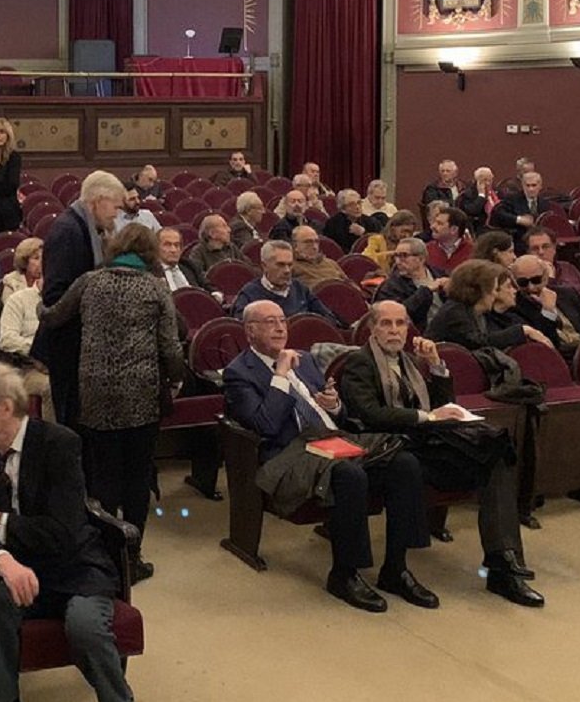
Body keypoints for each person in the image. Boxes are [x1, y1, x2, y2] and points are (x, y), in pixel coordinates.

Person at [0, 363, 173, 702]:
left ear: (6, 408)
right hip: (18, 571)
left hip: (74, 567)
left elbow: (62, 533)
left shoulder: (59, 444)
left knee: (85, 625)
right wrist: (4, 560)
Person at [223, 301, 434, 612]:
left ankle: (396, 567)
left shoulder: (306, 360)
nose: (281, 327)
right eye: (270, 322)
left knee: (404, 463)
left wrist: (332, 404)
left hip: (332, 439)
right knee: (349, 474)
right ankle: (345, 573)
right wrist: (280, 375)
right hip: (290, 454)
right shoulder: (239, 372)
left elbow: (340, 414)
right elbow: (265, 426)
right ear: (250, 330)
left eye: (283, 320)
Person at [338, 301, 542, 606]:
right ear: (372, 328)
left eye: (400, 323)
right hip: (386, 448)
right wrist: (427, 418)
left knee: (495, 454)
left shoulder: (409, 362)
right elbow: (370, 414)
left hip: (424, 443)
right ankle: (396, 570)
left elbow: (441, 405)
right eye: (386, 324)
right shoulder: (359, 363)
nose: (394, 330)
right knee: (407, 467)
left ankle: (501, 566)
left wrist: (436, 366)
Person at [40, 226, 184, 576]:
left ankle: (104, 555)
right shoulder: (155, 287)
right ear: (149, 252)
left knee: (102, 476)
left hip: (95, 391)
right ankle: (131, 559)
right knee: (136, 478)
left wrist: (37, 299)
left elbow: (53, 317)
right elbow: (170, 345)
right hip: (141, 394)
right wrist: (177, 377)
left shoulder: (90, 281)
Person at [32, 170, 123, 430]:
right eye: (114, 206)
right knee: (71, 419)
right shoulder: (68, 231)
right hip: (67, 344)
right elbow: (54, 295)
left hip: (79, 343)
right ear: (97, 201)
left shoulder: (88, 229)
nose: (116, 213)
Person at [426, 260, 548, 353]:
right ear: (479, 290)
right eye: (494, 289)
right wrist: (522, 330)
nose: (495, 294)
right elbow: (478, 342)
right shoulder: (455, 311)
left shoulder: (473, 311)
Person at [232, 240, 341, 322]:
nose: (287, 271)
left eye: (290, 265)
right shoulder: (249, 294)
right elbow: (245, 331)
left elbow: (328, 319)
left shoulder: (300, 289)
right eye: (280, 265)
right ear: (264, 266)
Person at [510, 255, 580, 356]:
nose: (531, 287)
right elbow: (547, 342)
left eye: (536, 280)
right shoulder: (515, 307)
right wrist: (548, 311)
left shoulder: (568, 293)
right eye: (523, 282)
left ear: (545, 276)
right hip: (559, 357)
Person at [374, 237, 445, 327]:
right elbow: (397, 314)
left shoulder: (440, 274)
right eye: (396, 256)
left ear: (421, 259)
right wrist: (426, 291)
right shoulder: (390, 286)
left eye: (404, 256)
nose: (398, 261)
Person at [0, 240, 45, 355]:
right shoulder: (15, 294)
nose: (41, 262)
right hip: (26, 358)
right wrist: (38, 348)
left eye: (44, 258)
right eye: (36, 258)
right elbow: (7, 339)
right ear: (25, 261)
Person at [491, 170, 548, 244]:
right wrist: (519, 219)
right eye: (527, 185)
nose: (531, 189)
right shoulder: (512, 199)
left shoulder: (544, 203)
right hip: (518, 238)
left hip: (539, 239)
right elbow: (498, 213)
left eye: (534, 185)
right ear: (523, 186)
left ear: (540, 186)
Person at [424, 204, 474, 273]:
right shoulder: (426, 250)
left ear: (454, 229)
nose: (432, 226)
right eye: (434, 222)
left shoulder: (473, 252)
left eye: (439, 223)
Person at [153, 228, 205, 293]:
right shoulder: (150, 272)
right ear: (156, 247)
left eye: (176, 245)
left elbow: (210, 288)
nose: (173, 250)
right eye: (167, 245)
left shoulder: (189, 266)